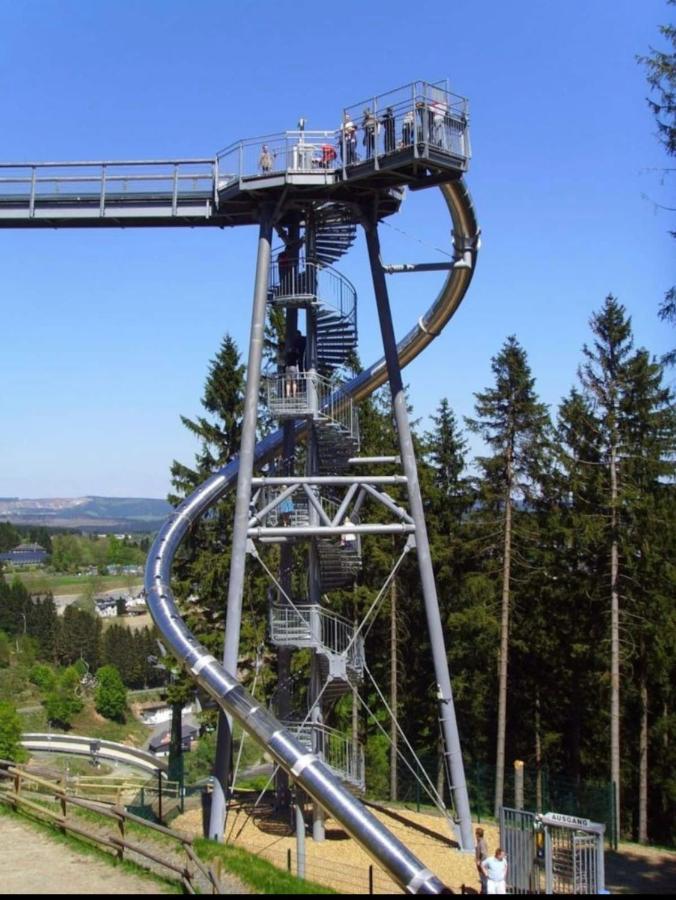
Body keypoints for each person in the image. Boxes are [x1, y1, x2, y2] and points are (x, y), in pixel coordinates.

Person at [475, 827, 488, 894]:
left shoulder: (481, 842)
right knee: (483, 879)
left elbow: (484, 853)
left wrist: (480, 861)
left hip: (482, 865)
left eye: (476, 834)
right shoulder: (480, 841)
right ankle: (483, 891)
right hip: (482, 864)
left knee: (484, 879)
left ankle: (484, 892)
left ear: (477, 834)